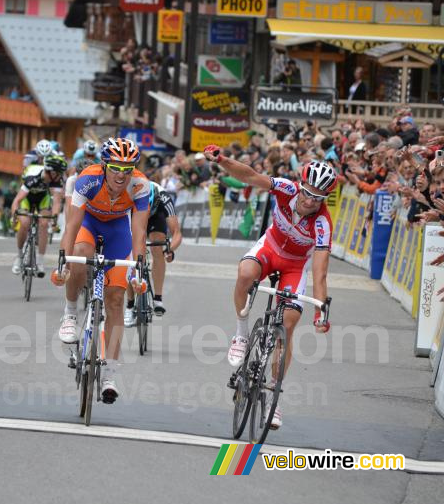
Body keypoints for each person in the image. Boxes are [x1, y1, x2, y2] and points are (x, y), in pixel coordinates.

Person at [202, 144, 335, 430]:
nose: (312, 201)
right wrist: (222, 159)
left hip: (295, 266)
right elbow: (250, 176)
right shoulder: (286, 189)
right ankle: (240, 334)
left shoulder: (323, 222)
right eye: (309, 193)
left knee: (288, 323)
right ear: (301, 185)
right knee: (246, 272)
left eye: (319, 197)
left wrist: (321, 311)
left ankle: (275, 392)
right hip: (270, 248)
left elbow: (320, 272)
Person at [51, 138, 150, 404]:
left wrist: (140, 268)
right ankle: (70, 313)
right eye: (116, 167)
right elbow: (71, 226)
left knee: (116, 300)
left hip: (119, 230)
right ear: (104, 165)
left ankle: (109, 373)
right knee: (80, 256)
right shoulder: (88, 180)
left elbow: (140, 231)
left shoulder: (140, 186)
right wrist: (63, 262)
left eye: (127, 169)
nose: (121, 174)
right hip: (89, 224)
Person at [124, 181, 182, 325]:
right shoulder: (128, 194)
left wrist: (169, 250)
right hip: (134, 214)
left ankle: (158, 298)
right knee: (129, 253)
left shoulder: (164, 197)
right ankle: (130, 305)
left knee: (158, 246)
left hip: (157, 217)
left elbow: (177, 233)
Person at [9, 154, 68, 277]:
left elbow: (57, 202)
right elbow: (17, 201)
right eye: (59, 173)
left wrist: (55, 218)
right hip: (27, 199)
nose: (61, 176)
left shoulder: (56, 180)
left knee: (44, 223)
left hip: (43, 199)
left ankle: (40, 262)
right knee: (24, 223)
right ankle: (19, 257)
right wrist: (14, 217)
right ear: (51, 172)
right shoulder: (32, 178)